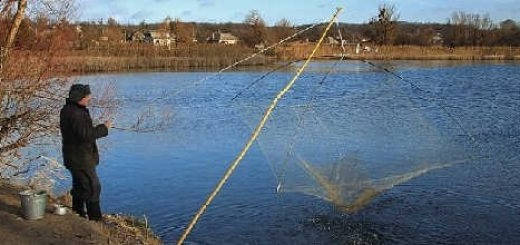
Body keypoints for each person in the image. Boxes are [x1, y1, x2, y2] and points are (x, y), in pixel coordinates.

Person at [59, 84, 112, 221]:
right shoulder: (76, 113)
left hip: (74, 157)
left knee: (80, 186)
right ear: (80, 98)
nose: (90, 98)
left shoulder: (69, 109)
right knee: (93, 187)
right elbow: (86, 135)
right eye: (87, 96)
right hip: (81, 158)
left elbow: (82, 133)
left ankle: (78, 214)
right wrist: (104, 128)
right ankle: (95, 220)